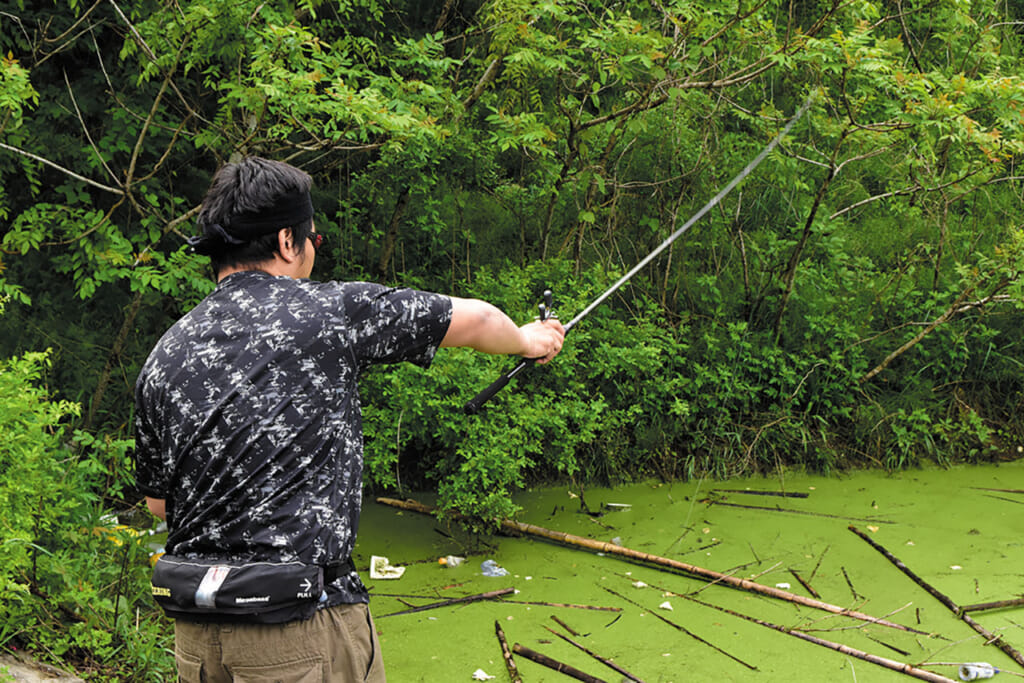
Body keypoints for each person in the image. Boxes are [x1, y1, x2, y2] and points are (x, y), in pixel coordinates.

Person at [133, 156, 565, 682]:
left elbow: (160, 505)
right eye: (313, 238)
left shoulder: (165, 354)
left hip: (197, 642)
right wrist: (531, 340)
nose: (315, 249)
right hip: (299, 629)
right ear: (288, 241)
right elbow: (476, 319)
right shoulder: (330, 311)